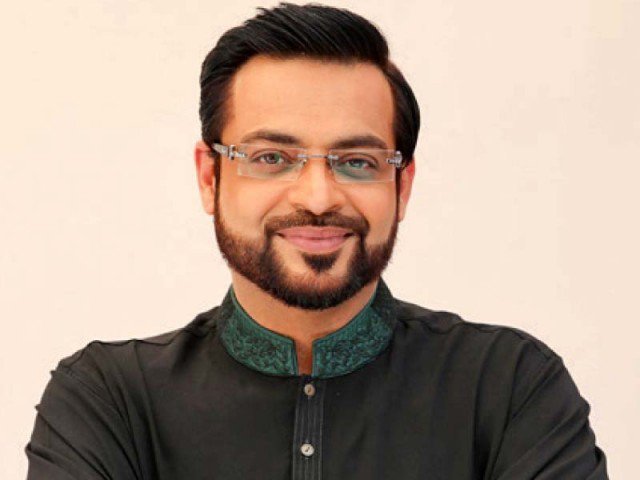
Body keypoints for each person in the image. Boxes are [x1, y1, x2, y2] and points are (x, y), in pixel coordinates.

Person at [26, 3, 608, 479]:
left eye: (356, 161)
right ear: (210, 177)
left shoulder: (509, 388)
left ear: (402, 186)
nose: (319, 196)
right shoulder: (108, 400)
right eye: (271, 158)